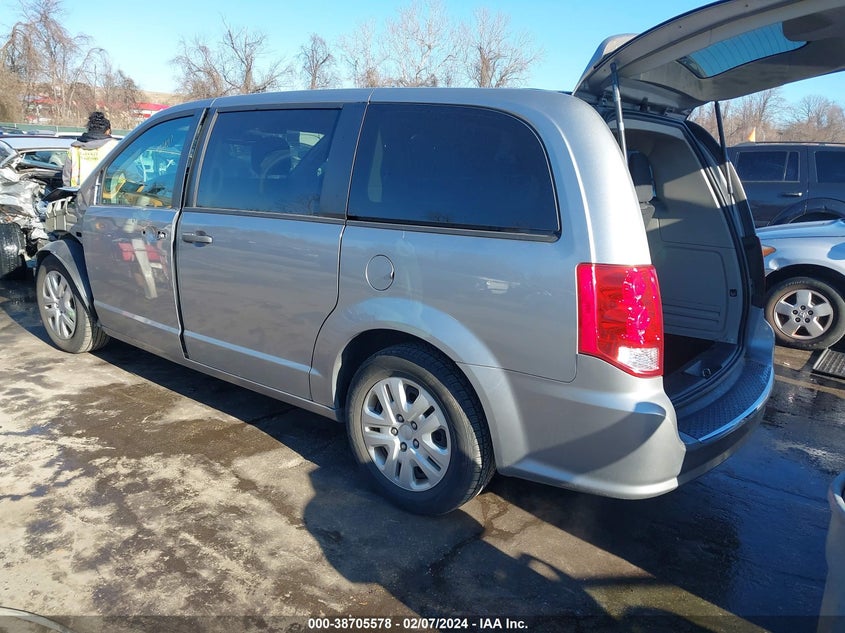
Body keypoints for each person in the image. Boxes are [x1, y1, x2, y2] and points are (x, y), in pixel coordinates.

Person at [62, 111, 119, 187]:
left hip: (78, 193)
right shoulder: (114, 146)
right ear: (108, 131)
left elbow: (67, 176)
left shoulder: (75, 148)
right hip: (103, 194)